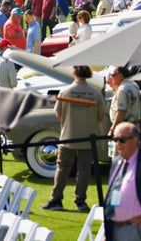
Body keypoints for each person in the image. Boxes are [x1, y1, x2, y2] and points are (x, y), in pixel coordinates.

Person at [42, 65, 107, 212]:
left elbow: (58, 114)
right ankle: (80, 201)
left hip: (68, 136)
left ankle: (56, 200)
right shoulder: (95, 93)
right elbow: (101, 116)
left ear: (74, 73)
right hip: (88, 137)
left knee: (62, 168)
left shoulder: (65, 91)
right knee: (84, 169)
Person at [107, 66, 141, 136]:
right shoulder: (134, 85)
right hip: (134, 127)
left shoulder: (122, 89)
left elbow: (121, 111)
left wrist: (112, 129)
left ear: (120, 75)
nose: (112, 77)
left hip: (123, 130)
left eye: (113, 75)